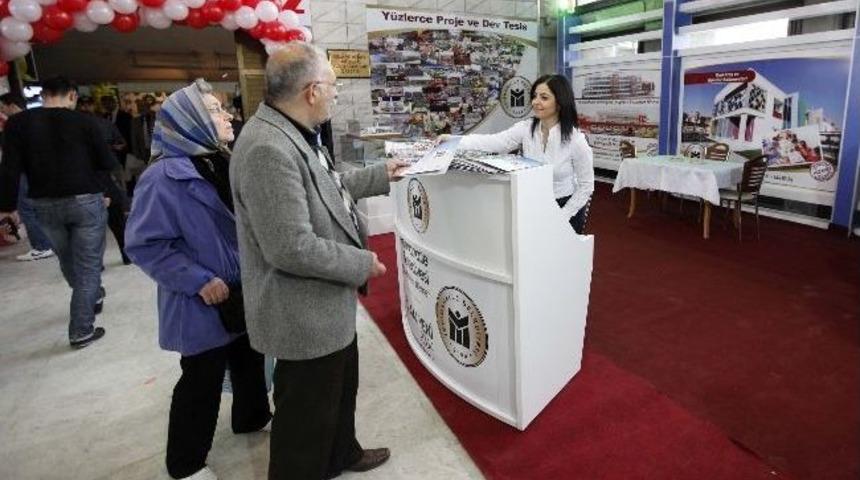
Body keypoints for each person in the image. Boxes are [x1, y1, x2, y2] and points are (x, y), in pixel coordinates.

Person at [230, 44, 409, 480]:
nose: (336, 93)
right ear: (311, 91)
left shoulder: (292, 130)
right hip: (302, 313)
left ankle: (341, 453)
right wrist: (360, 262)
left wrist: (383, 173)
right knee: (305, 420)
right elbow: (289, 246)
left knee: (339, 391)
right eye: (333, 85)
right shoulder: (267, 149)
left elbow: (325, 188)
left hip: (325, 306)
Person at [124, 79, 272, 480]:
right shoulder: (162, 177)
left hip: (241, 287)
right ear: (190, 121)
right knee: (201, 379)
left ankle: (252, 418)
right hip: (202, 297)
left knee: (249, 360)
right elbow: (144, 244)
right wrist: (197, 280)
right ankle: (185, 464)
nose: (227, 116)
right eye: (214, 111)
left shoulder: (220, 159)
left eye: (222, 109)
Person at [0, 76, 116, 348]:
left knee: (67, 259)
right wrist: (107, 192)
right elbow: (106, 162)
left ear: (43, 95)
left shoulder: (17, 123)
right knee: (88, 265)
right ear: (72, 95)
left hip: (44, 203)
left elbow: (9, 169)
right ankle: (81, 329)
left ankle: (92, 295)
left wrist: (6, 208)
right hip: (85, 200)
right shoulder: (85, 122)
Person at [448, 73, 594, 233]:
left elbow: (586, 186)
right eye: (535, 96)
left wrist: (562, 216)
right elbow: (493, 142)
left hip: (565, 207)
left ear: (560, 102)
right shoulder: (526, 128)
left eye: (544, 97)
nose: (536, 102)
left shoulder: (576, 140)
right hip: (532, 204)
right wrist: (453, 141)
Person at [0, 92, 55, 261]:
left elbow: (11, 155)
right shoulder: (38, 119)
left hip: (23, 171)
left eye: (2, 107)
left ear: (12, 106)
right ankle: (49, 243)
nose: (2, 111)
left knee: (27, 210)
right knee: (39, 208)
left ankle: (41, 246)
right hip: (39, 171)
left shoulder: (15, 123)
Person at [79, 95, 132, 264]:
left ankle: (96, 262)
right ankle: (127, 255)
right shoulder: (103, 123)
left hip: (87, 176)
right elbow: (121, 144)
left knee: (92, 224)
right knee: (116, 218)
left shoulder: (72, 127)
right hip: (106, 171)